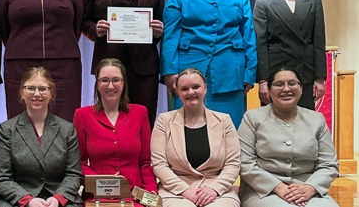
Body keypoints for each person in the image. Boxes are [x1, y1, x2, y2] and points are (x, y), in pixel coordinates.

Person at [161, 0, 256, 128]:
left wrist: (250, 73)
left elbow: (249, 37)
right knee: (186, 130)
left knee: (229, 131)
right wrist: (169, 71)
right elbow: (170, 37)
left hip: (230, 75)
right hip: (188, 74)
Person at [82, 0, 165, 126]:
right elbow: (82, 21)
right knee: (109, 121)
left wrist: (158, 31)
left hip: (145, 66)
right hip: (108, 65)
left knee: (144, 121)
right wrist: (95, 30)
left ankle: (144, 159)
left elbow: (162, 21)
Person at [0, 0, 83, 122]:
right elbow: (3, 27)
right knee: (21, 121)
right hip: (20, 63)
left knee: (64, 120)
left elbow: (76, 25)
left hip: (64, 63)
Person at [238, 67, 338, 207]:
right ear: (269, 90)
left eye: (292, 83)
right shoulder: (253, 118)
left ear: (301, 88)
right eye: (279, 84)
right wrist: (279, 187)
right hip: (263, 191)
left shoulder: (317, 120)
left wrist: (310, 187)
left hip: (308, 189)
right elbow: (245, 163)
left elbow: (329, 164)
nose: (286, 89)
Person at [0, 67, 83, 207]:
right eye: (31, 88)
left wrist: (59, 198)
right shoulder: (7, 130)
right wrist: (27, 200)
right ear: (22, 92)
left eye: (42, 89)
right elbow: (1, 177)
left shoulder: (67, 129)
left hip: (58, 198)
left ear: (51, 93)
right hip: (18, 200)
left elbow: (73, 174)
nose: (36, 94)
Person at [151, 68, 240, 207]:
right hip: (175, 193)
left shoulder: (224, 121)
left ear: (205, 88)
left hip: (217, 192)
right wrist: (185, 190)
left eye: (196, 87)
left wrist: (214, 189)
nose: (191, 92)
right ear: (178, 92)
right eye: (184, 88)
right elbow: (159, 164)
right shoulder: (164, 121)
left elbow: (233, 163)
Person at [73, 58, 157, 203]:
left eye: (116, 80)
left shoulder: (140, 113)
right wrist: (103, 184)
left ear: (123, 83)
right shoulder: (82, 115)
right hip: (98, 196)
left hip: (135, 195)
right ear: (97, 84)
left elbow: (145, 162)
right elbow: (79, 163)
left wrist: (151, 191)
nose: (110, 86)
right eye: (104, 80)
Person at [253, 0, 326, 110]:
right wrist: (263, 81)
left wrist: (320, 78)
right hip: (276, 78)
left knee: (305, 128)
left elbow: (319, 41)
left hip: (305, 77)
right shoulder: (263, 3)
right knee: (275, 129)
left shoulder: (314, 0)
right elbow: (261, 45)